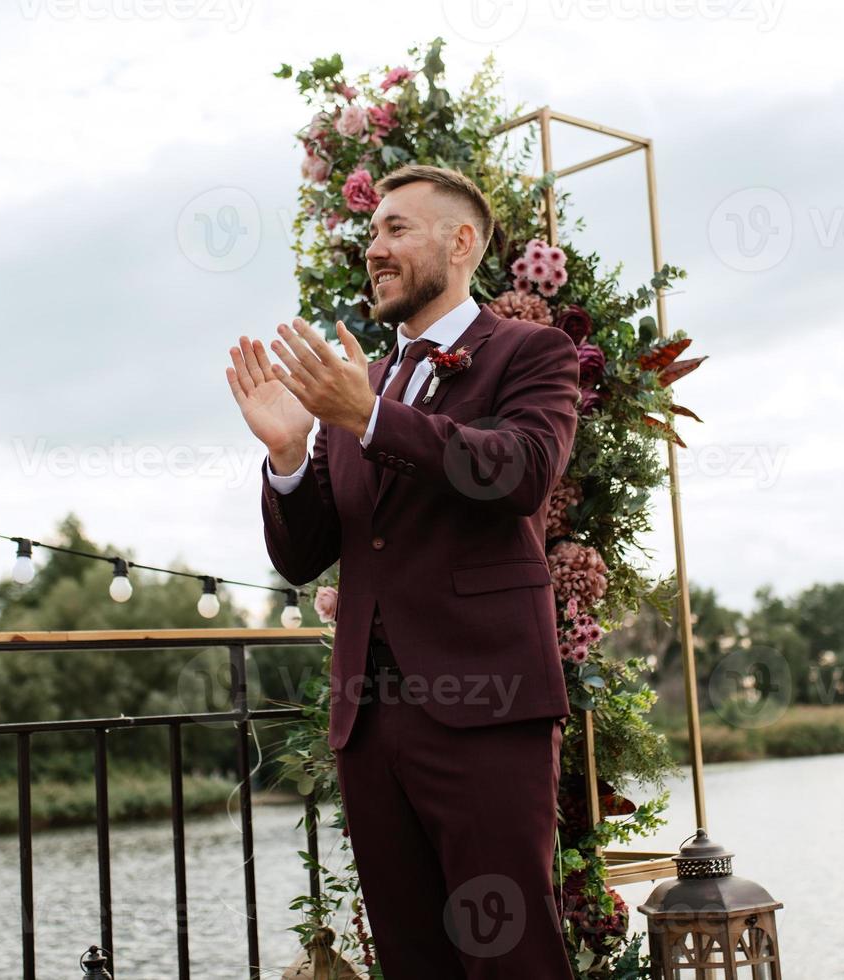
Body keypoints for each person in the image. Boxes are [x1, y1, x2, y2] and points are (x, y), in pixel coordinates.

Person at [226, 164, 580, 979]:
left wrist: (370, 417)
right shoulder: (366, 380)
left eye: (395, 230)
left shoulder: (529, 353)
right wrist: (287, 452)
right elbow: (305, 548)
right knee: (413, 959)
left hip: (487, 709)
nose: (373, 249)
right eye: (372, 232)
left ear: (461, 244)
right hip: (369, 724)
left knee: (512, 957)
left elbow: (519, 470)